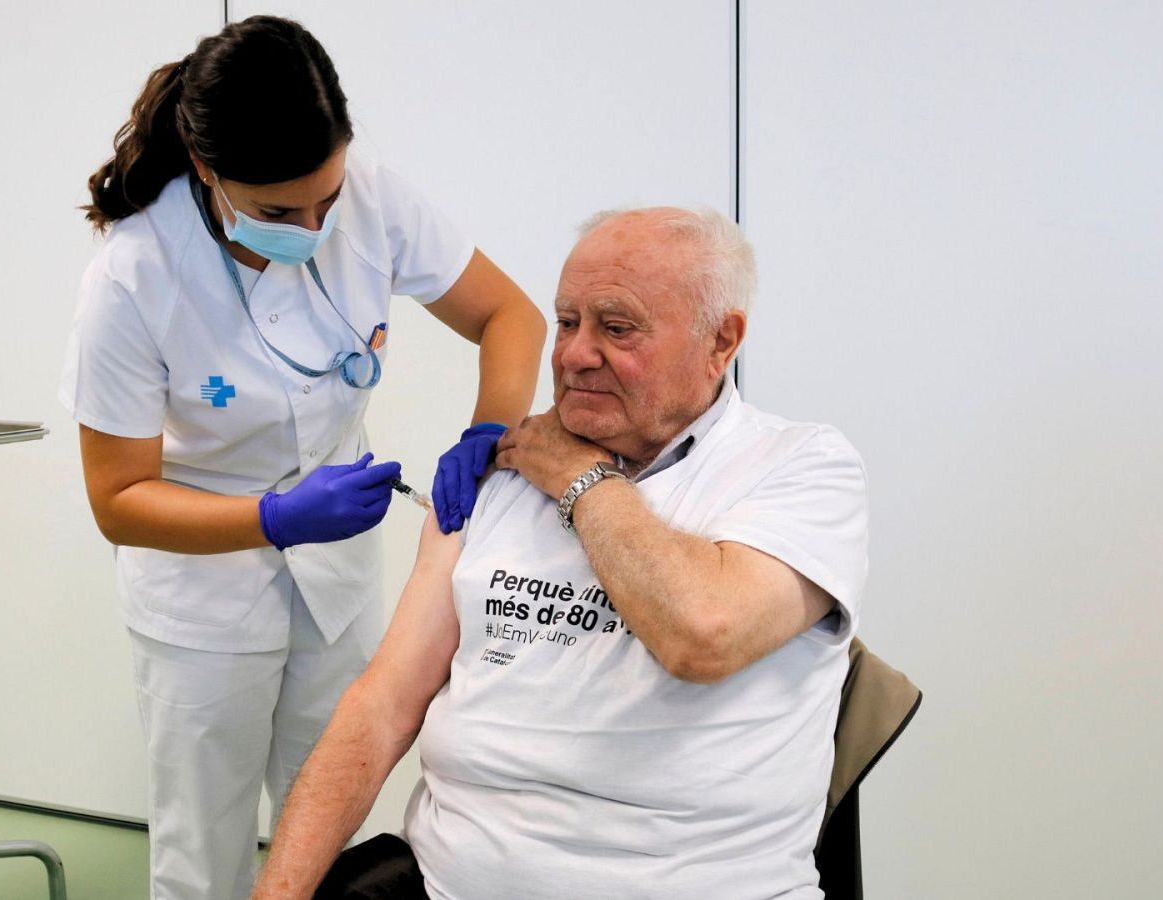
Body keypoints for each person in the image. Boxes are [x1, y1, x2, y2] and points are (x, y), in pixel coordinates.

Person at [58, 16, 545, 900]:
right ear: (206, 168)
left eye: (328, 198)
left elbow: (510, 315)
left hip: (337, 579)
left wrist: (489, 431)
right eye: (281, 213)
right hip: (202, 591)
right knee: (202, 852)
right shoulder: (134, 276)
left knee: (330, 831)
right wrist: (274, 518)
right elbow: (118, 499)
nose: (316, 227)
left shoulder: (375, 199)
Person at [251, 207, 869, 900]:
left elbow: (702, 634)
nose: (575, 354)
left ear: (720, 341)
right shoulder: (502, 475)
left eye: (617, 327)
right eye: (568, 321)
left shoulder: (801, 467)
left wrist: (580, 478)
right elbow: (381, 707)